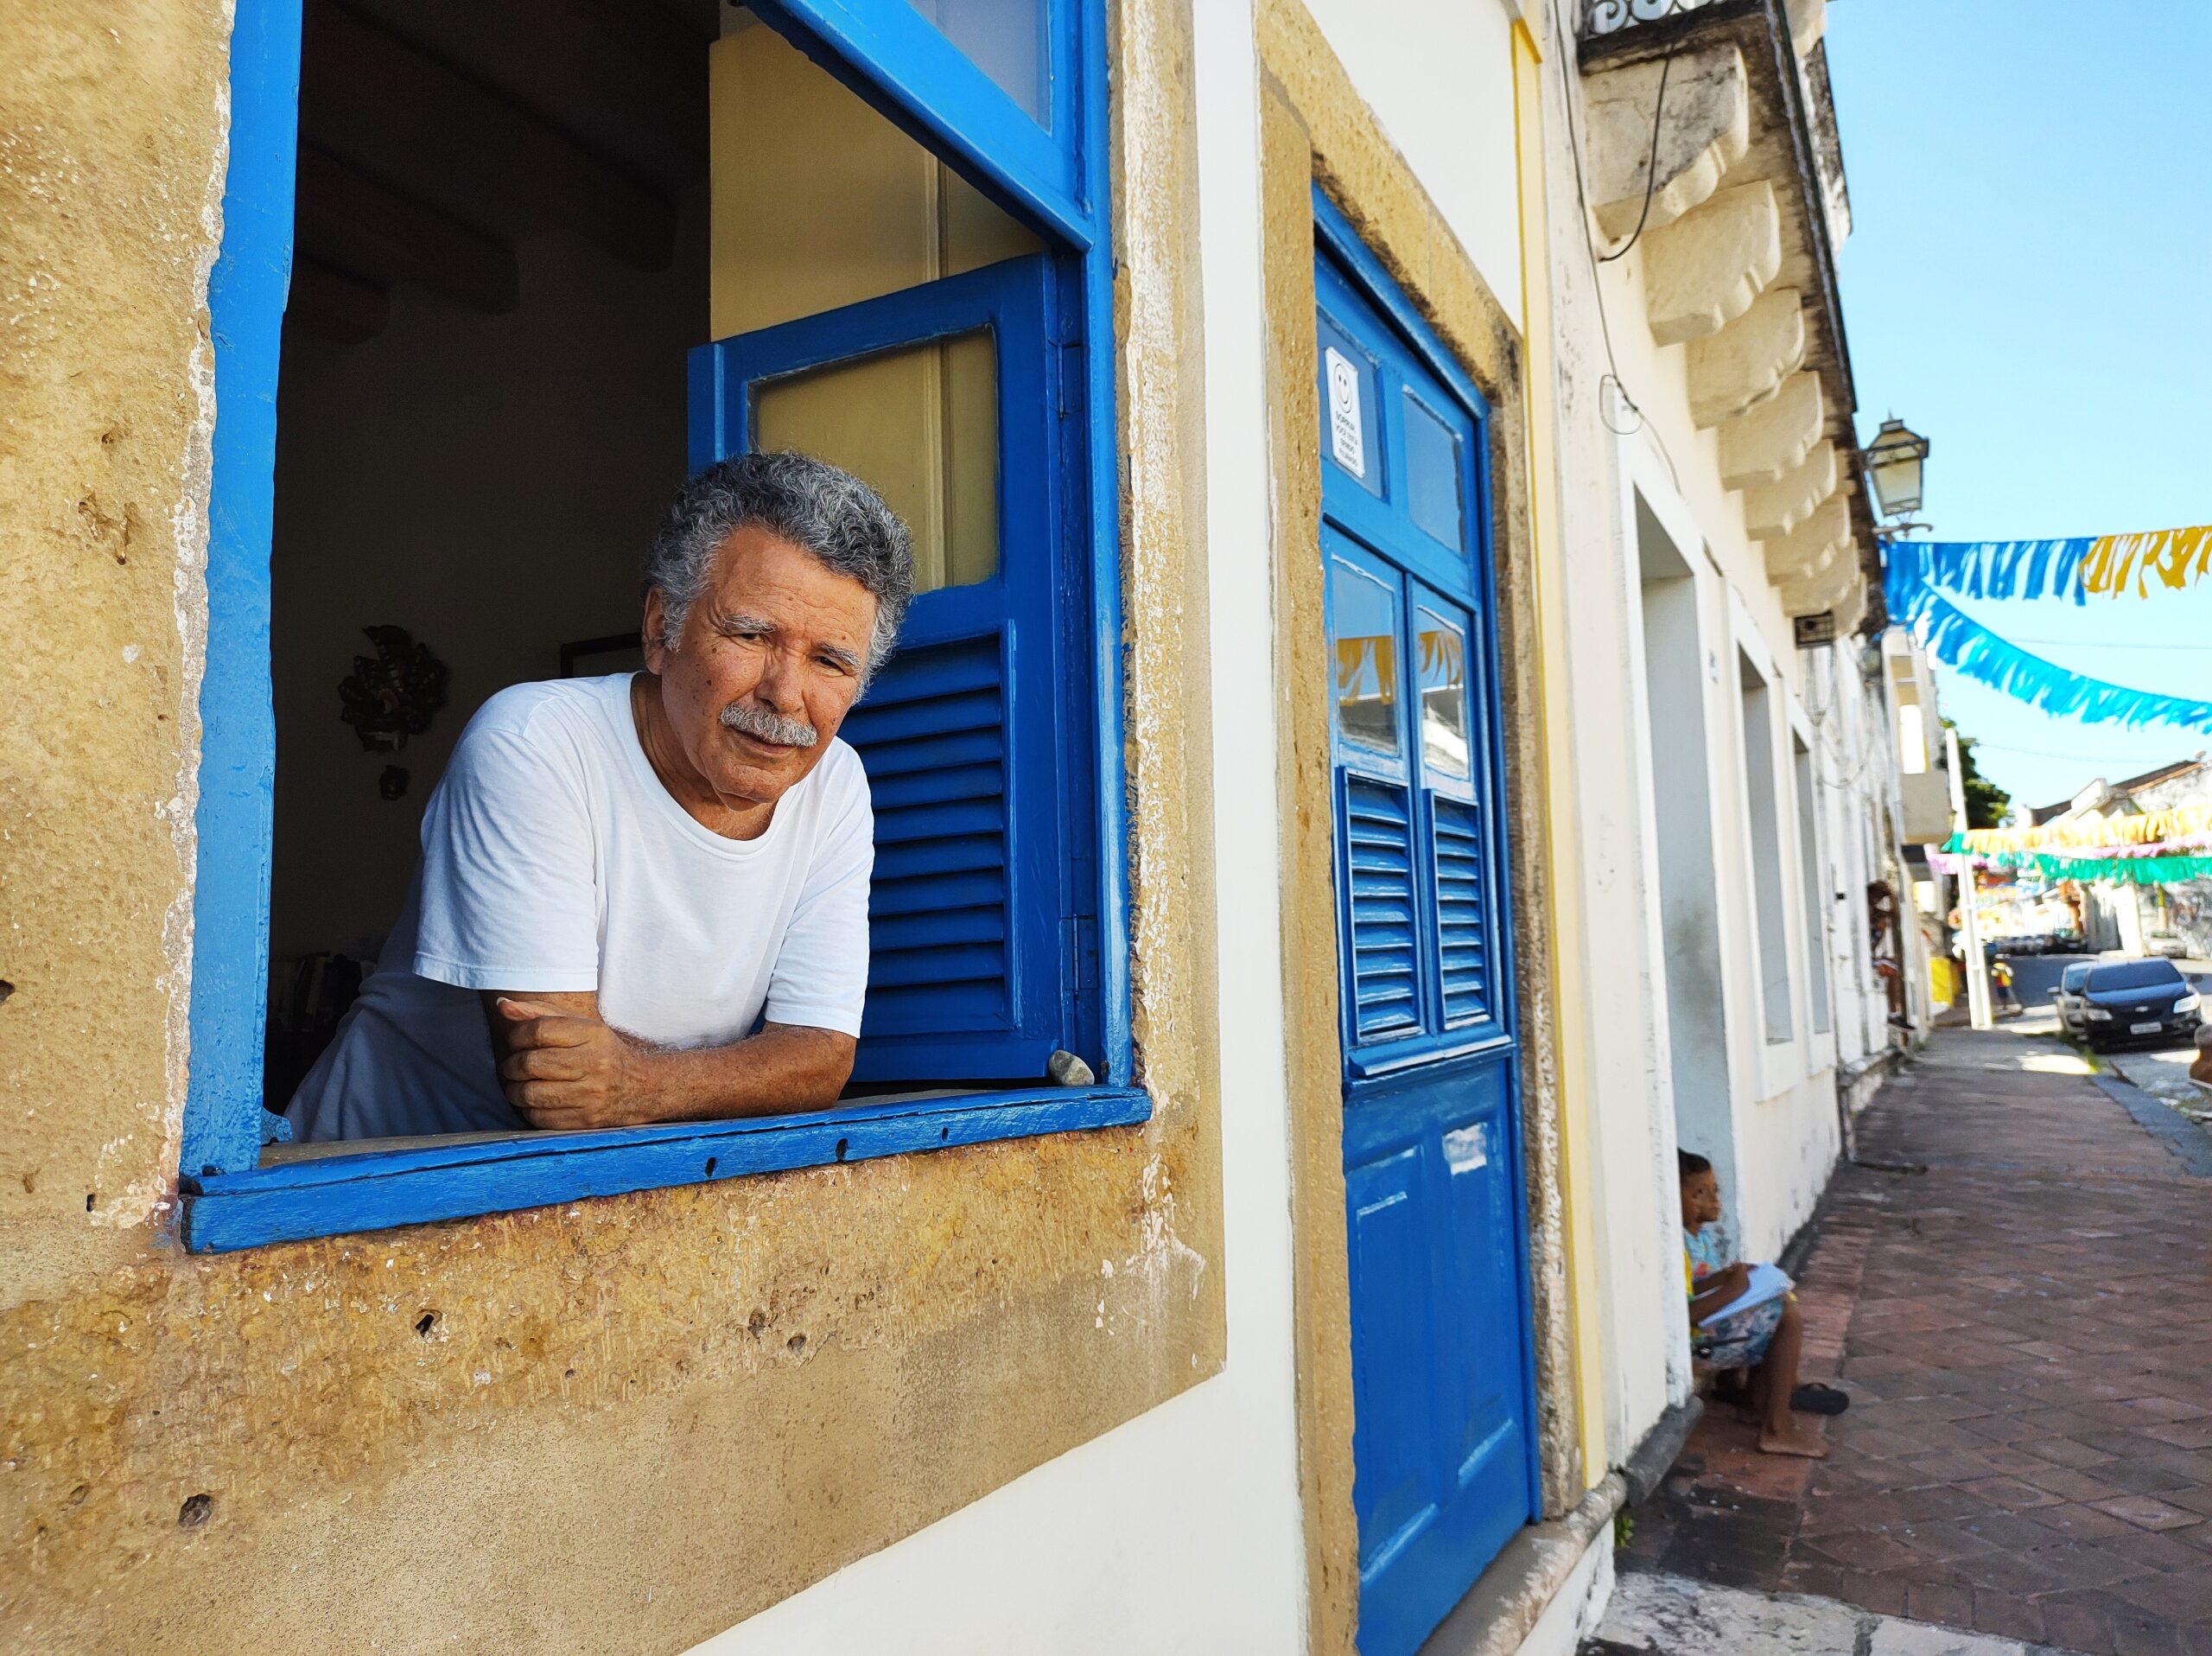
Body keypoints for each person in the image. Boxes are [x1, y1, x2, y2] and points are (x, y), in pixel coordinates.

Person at [286, 451, 913, 1141]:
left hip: (599, 1188)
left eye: (829, 661)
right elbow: (551, 1083)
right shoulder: (533, 741)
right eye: (751, 634)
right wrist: (730, 1077)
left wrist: (639, 1082)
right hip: (374, 1175)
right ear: (659, 629)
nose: (785, 695)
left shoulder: (835, 785)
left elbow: (820, 1059)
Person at [1679, 1150, 1843, 1458]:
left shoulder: (1698, 1238)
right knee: (1786, 1318)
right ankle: (1776, 1429)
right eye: (1699, 1193)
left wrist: (1727, 1278)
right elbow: (1685, 1313)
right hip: (1693, 1344)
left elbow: (1695, 1287)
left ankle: (1758, 1401)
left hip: (1706, 1331)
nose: (1713, 1200)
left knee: (1775, 1297)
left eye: (1715, 1190)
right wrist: (1734, 1290)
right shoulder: (1676, 1244)